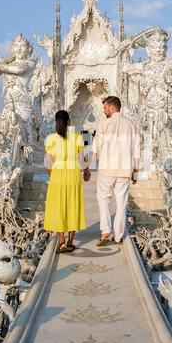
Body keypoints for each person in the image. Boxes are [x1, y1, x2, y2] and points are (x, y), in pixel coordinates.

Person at [90, 96, 141, 245]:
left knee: (103, 200)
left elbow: (95, 148)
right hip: (125, 170)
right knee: (121, 203)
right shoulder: (131, 125)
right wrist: (135, 171)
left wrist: (87, 167)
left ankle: (106, 230)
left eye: (105, 108)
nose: (104, 111)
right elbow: (136, 151)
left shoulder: (103, 125)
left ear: (112, 108)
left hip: (106, 170)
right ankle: (118, 235)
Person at [44, 110, 91, 253]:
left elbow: (47, 162)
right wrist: (86, 171)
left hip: (58, 174)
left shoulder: (51, 138)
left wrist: (52, 174)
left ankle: (62, 242)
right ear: (68, 122)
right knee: (73, 206)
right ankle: (71, 242)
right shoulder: (77, 138)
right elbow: (82, 160)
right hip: (73, 174)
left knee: (58, 207)